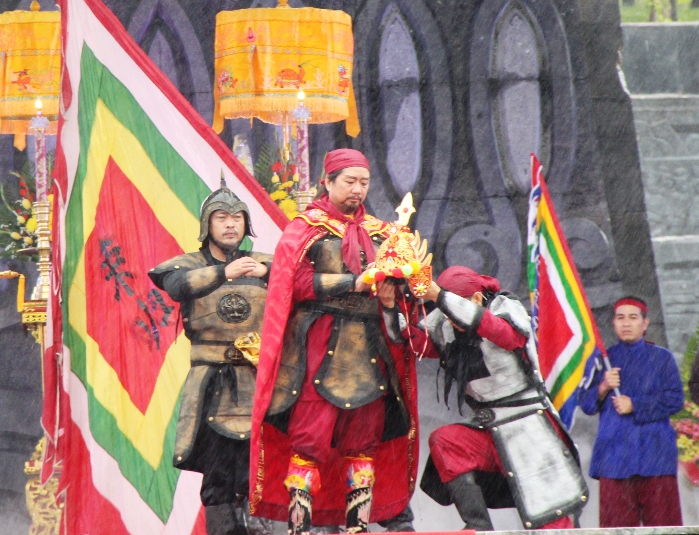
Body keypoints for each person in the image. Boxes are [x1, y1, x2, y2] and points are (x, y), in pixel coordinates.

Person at [249, 149, 422, 534]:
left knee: (363, 440)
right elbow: (292, 282)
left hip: (370, 346)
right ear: (327, 182)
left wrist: (399, 287)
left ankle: (357, 527)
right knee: (307, 439)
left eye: (364, 182)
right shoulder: (305, 228)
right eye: (349, 181)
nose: (357, 189)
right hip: (317, 343)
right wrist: (353, 282)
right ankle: (299, 528)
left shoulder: (383, 232)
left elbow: (408, 288)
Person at [417, 266, 587, 530]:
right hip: (489, 430)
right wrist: (392, 304)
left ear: (476, 298)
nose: (451, 319)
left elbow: (504, 334)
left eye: (454, 308)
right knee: (446, 441)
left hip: (529, 426)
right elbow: (415, 342)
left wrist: (440, 296)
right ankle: (479, 528)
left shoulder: (504, 307)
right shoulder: (444, 320)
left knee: (552, 517)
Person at [149, 179, 272, 535]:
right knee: (218, 475)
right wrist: (223, 272)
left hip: (259, 383)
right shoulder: (186, 265)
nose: (231, 224)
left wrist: (270, 272)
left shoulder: (265, 264)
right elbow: (176, 286)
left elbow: (303, 282)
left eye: (237, 217)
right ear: (207, 224)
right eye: (222, 217)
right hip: (211, 382)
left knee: (259, 470)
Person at [580, 296, 684, 527]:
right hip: (614, 458)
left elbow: (675, 400)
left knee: (664, 528)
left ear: (645, 323)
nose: (626, 323)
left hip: (655, 456)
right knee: (616, 530)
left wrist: (635, 405)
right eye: (620, 317)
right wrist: (603, 387)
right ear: (614, 323)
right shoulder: (602, 360)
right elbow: (586, 405)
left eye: (633, 317)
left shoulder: (662, 358)